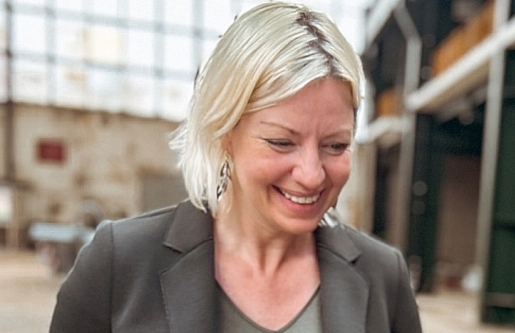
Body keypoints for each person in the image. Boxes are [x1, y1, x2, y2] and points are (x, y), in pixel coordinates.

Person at [50, 2, 422, 332]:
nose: (311, 175)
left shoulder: (384, 276)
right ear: (224, 131)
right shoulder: (119, 263)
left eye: (336, 146)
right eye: (281, 142)